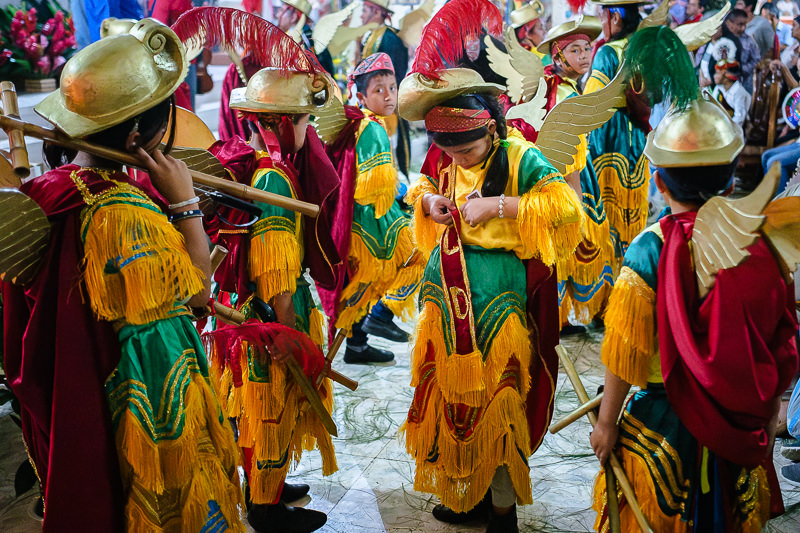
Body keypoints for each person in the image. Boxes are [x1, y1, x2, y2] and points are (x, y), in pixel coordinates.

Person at [3, 19, 244, 531]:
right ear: (139, 135)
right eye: (168, 115)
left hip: (81, 387)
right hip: (136, 394)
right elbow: (196, 295)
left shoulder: (49, 188)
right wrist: (185, 204)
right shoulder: (125, 215)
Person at [589, 87, 798, 531]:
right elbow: (782, 342)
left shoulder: (650, 249)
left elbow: (625, 354)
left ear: (659, 181)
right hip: (739, 427)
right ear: (729, 181)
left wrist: (606, 424)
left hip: (662, 422)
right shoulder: (760, 245)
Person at [324, 53, 422, 362]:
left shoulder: (363, 121)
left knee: (362, 281)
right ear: (362, 94)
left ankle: (356, 345)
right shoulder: (373, 128)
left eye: (392, 88)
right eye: (379, 89)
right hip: (373, 218)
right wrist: (409, 194)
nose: (389, 95)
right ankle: (380, 314)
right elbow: (375, 187)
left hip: (359, 218)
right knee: (419, 252)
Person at [534, 17, 614, 330]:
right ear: (558, 57)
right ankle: (558, 317)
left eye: (586, 49)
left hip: (556, 176)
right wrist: (577, 199)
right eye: (575, 50)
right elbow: (572, 160)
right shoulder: (568, 97)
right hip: (571, 178)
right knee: (574, 240)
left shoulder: (559, 87)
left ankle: (558, 315)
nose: (584, 55)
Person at [586, 0, 648, 269]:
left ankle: (609, 268)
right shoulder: (642, 47)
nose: (602, 23)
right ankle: (633, 265)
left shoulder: (608, 53)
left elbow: (591, 100)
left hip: (609, 132)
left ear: (615, 18)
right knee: (632, 203)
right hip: (637, 132)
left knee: (607, 202)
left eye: (603, 16)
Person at [360, 0, 411, 177]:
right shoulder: (370, 36)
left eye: (365, 10)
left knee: (393, 146)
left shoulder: (390, 38)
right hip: (373, 102)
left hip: (387, 104)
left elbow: (396, 74)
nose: (362, 14)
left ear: (376, 12)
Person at [726, 8, 762, 91]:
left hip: (743, 83)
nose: (743, 28)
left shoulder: (749, 41)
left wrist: (742, 68)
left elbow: (757, 61)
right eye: (740, 24)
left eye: (745, 24)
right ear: (729, 24)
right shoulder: (724, 39)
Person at [712, 58, 752, 126]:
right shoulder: (718, 89)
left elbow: (739, 118)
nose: (714, 76)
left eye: (717, 73)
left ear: (727, 76)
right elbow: (712, 107)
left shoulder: (739, 92)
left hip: (735, 130)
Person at [510, 0, 552, 65]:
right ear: (528, 34)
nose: (545, 32)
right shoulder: (541, 57)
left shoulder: (512, 56)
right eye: (540, 28)